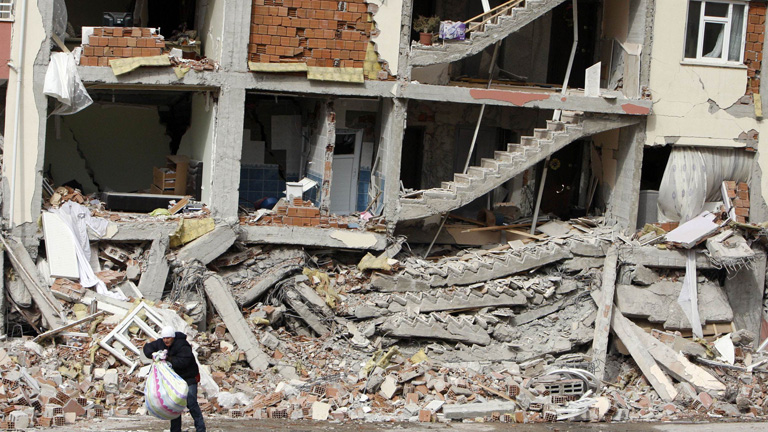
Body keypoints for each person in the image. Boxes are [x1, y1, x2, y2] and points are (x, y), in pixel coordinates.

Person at [143, 326, 206, 432]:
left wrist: (168, 358)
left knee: (191, 403)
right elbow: (147, 347)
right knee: (174, 404)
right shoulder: (161, 343)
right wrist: (153, 354)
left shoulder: (183, 345)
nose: (166, 340)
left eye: (168, 338)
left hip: (188, 378)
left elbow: (183, 362)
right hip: (174, 380)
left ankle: (201, 429)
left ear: (173, 337)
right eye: (164, 338)